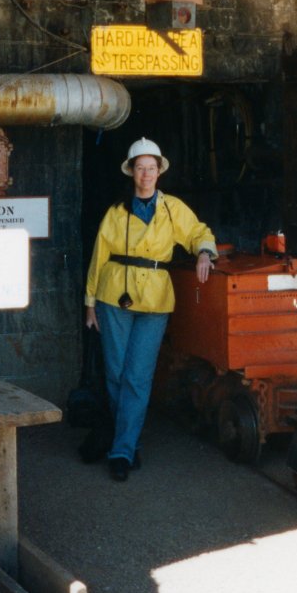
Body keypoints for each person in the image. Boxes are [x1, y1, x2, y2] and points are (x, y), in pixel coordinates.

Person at [84, 137, 217, 481]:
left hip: (155, 300)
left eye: (151, 168)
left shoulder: (172, 209)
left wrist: (204, 252)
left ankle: (122, 450)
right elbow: (99, 257)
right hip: (114, 297)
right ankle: (124, 439)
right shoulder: (116, 211)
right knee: (115, 373)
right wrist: (89, 304)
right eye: (140, 168)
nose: (146, 174)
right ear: (132, 172)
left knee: (138, 376)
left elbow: (198, 232)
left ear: (159, 172)